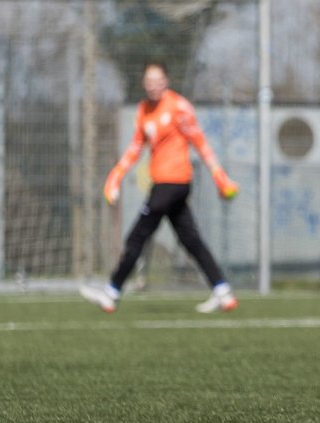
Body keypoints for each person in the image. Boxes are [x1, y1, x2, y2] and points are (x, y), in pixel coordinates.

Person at [79, 61, 241, 314]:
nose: (153, 86)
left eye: (157, 80)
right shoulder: (144, 110)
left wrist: (220, 177)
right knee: (191, 239)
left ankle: (111, 293)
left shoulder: (179, 107)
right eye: (148, 81)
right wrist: (115, 176)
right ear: (144, 84)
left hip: (173, 183)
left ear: (166, 81)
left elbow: (200, 143)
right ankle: (223, 291)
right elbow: (135, 149)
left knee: (136, 237)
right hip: (164, 185)